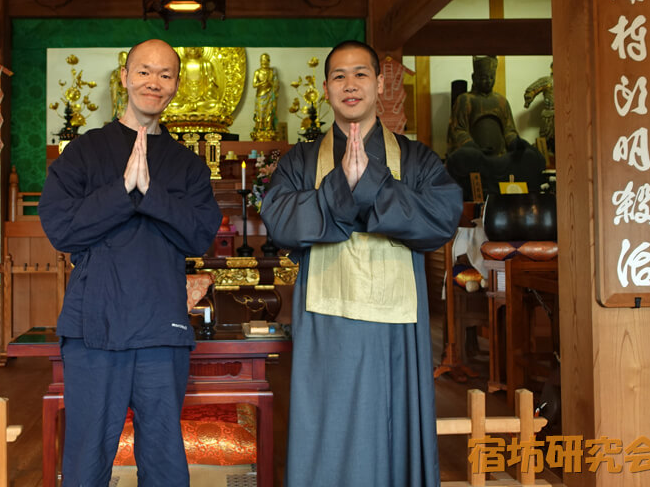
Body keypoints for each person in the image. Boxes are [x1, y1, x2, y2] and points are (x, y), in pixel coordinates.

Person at [260, 40, 462, 487]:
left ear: (378, 83)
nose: (350, 85)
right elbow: (279, 221)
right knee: (327, 419)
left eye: (360, 74)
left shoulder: (416, 158)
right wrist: (340, 188)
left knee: (391, 419)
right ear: (326, 88)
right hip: (324, 319)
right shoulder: (302, 160)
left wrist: (369, 185)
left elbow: (441, 219)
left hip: (397, 321)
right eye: (339, 76)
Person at [38, 38, 222, 486]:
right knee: (88, 455)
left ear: (176, 86)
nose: (153, 83)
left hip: (162, 328)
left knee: (162, 456)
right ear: (124, 77)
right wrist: (122, 192)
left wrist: (150, 194)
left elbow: (200, 234)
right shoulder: (84, 151)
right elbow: (61, 229)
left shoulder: (187, 165)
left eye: (165, 75)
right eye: (143, 71)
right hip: (93, 326)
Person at [445, 55, 546, 198]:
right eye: (484, 77)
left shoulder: (501, 101)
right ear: (474, 77)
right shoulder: (465, 99)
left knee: (528, 156)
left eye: (491, 77)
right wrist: (473, 146)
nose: (488, 81)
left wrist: (515, 142)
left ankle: (523, 196)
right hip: (478, 157)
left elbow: (508, 129)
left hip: (500, 159)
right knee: (464, 157)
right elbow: (458, 129)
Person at [250, 53, 279, 141]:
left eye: (266, 59)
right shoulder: (257, 72)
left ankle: (269, 128)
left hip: (269, 95)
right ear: (260, 61)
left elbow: (276, 84)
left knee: (269, 112)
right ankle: (259, 128)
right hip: (260, 96)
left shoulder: (271, 72)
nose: (264, 62)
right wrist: (263, 83)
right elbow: (254, 84)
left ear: (269, 61)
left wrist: (271, 82)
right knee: (260, 113)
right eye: (262, 60)